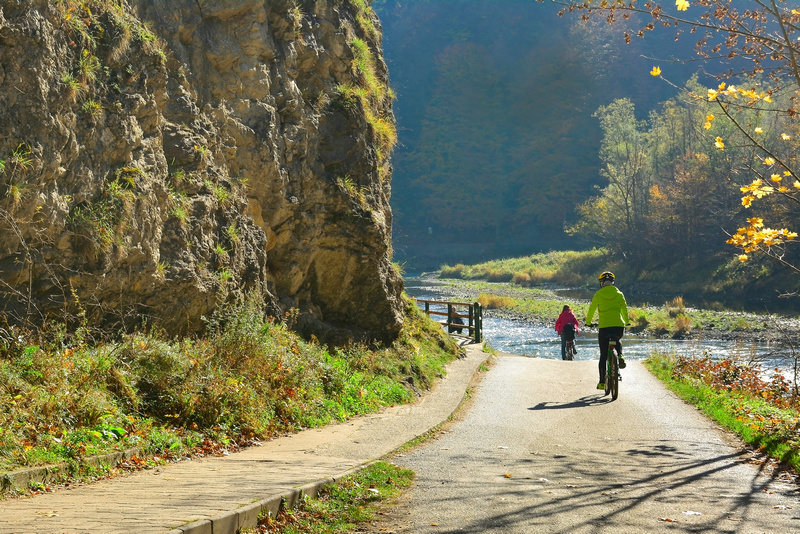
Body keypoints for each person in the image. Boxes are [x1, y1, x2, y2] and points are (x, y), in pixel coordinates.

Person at [585, 271, 630, 390]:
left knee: (603, 355)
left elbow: (591, 310)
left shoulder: (598, 294)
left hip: (604, 327)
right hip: (618, 326)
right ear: (612, 282)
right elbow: (624, 309)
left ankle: (601, 382)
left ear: (601, 283)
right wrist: (627, 321)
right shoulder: (619, 294)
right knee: (617, 339)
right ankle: (620, 356)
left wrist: (588, 322)